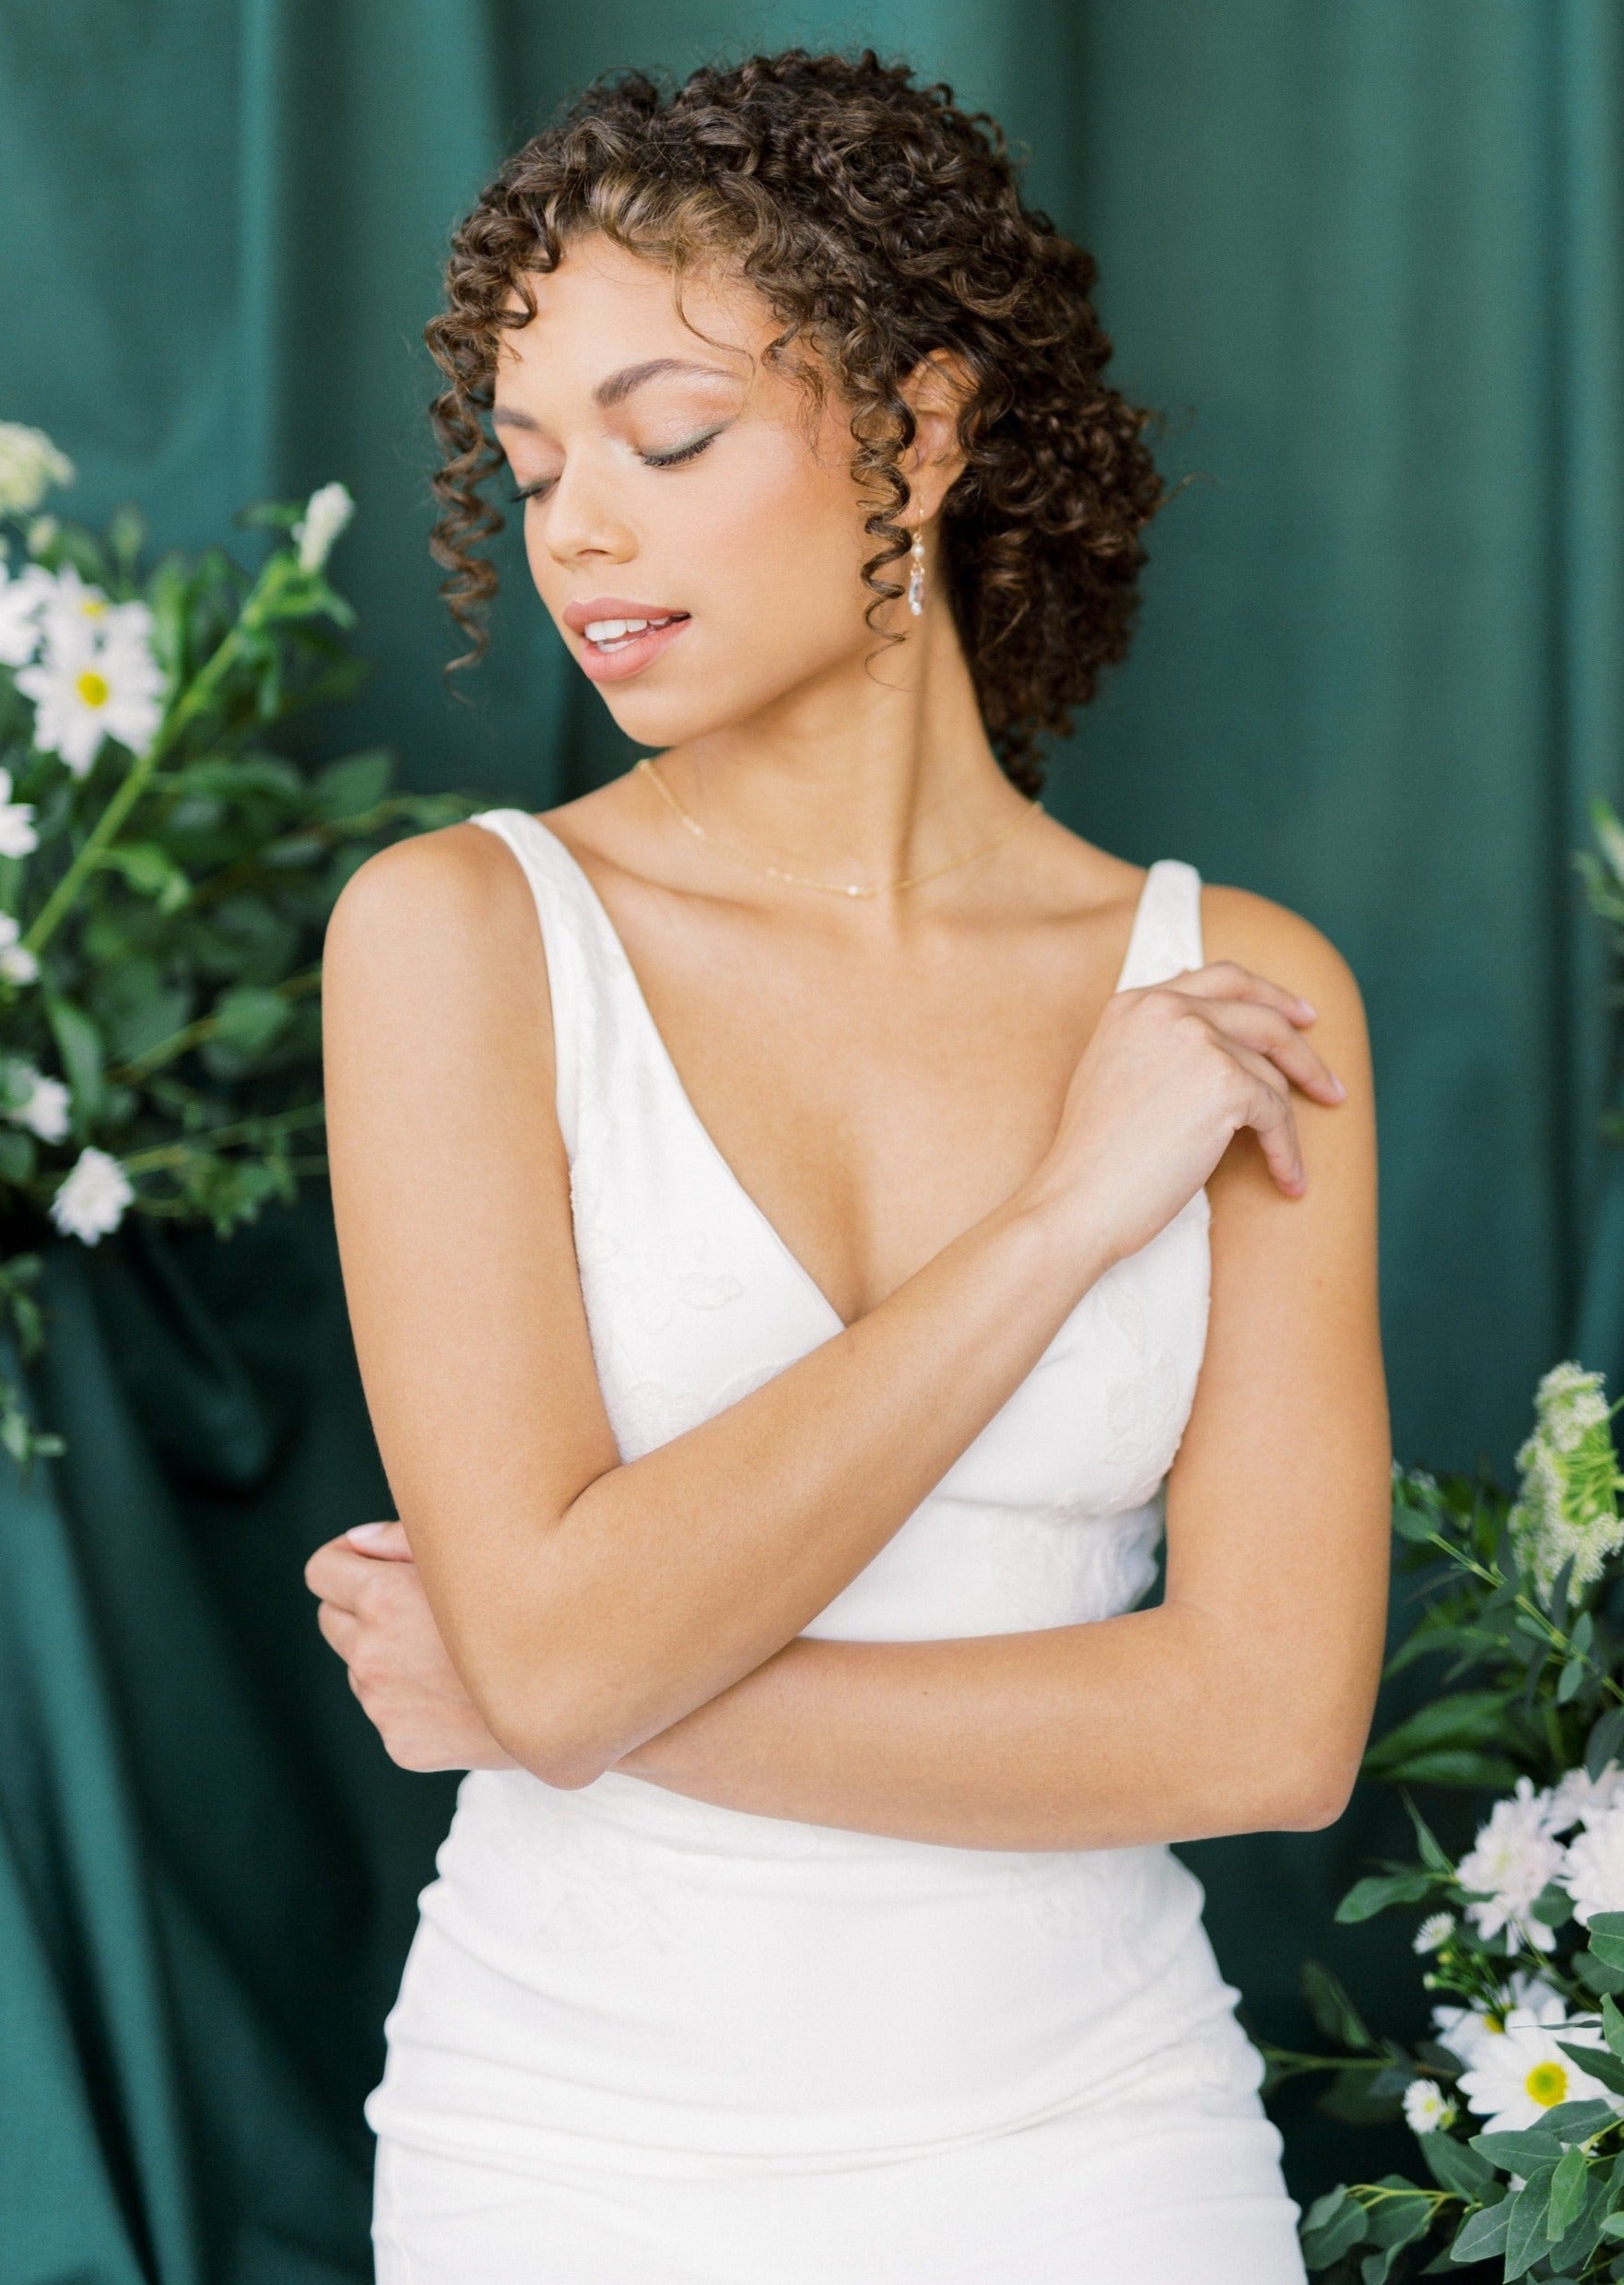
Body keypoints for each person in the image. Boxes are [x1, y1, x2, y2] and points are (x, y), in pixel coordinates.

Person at [303, 48, 1390, 2285]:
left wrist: (554, 1684)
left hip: (1107, 2141)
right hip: (572, 2151)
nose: (575, 526)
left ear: (918, 427)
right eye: (529, 466)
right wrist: (1062, 1214)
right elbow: (562, 1650)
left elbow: (1268, 1726)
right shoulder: (459, 941)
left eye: (666, 435)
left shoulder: (1237, 988)